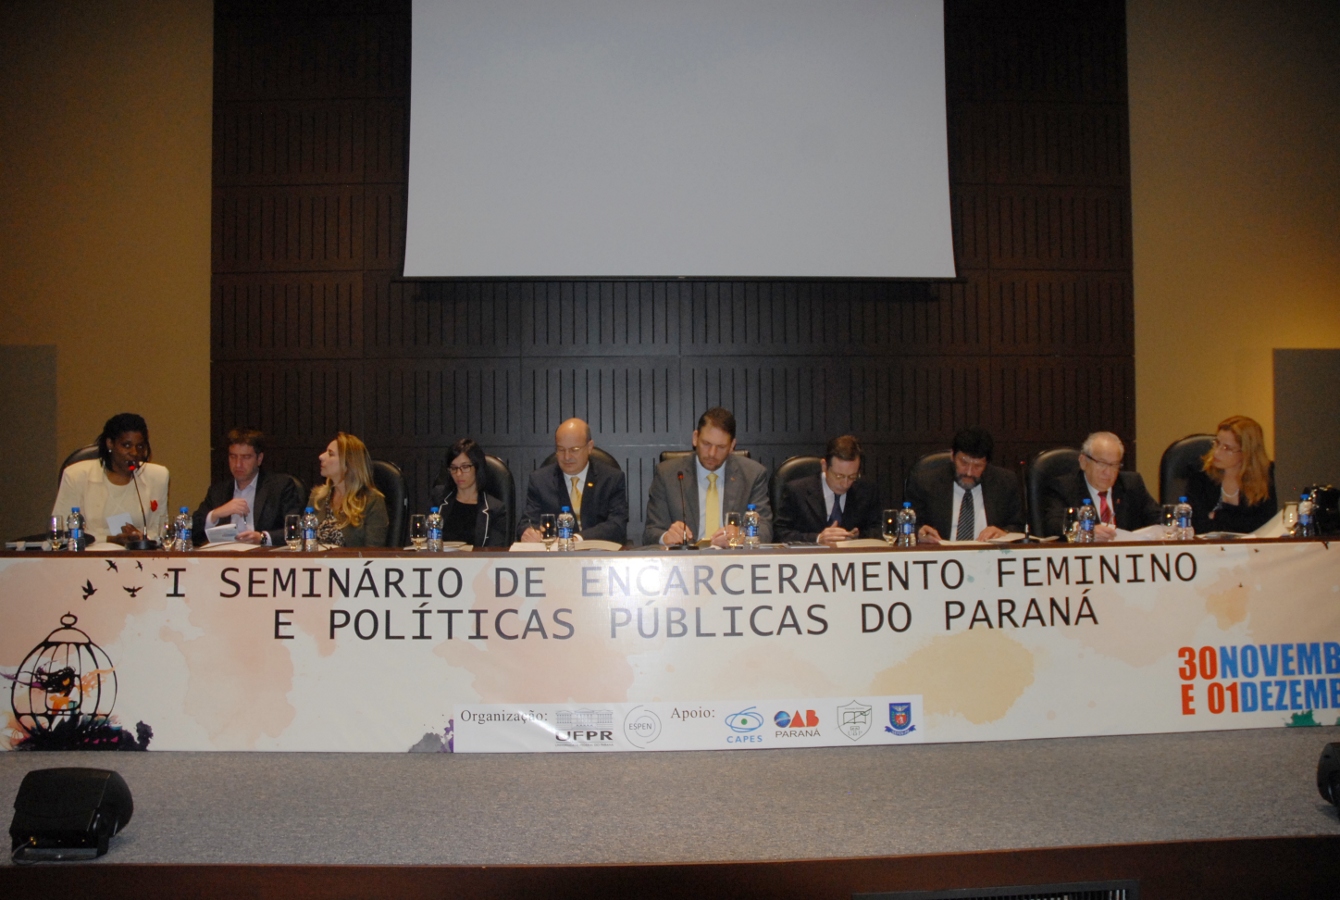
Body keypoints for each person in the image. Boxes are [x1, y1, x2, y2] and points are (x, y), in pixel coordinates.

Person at [643, 407, 772, 547]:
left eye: (721, 447)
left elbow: (765, 530)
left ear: (732, 446)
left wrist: (741, 536)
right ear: (695, 438)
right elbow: (651, 532)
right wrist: (666, 537)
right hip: (687, 558)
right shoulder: (668, 474)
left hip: (733, 557)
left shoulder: (752, 475)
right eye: (706, 444)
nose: (712, 453)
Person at [52, 412, 169, 545]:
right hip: (89, 554)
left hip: (137, 553)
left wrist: (141, 537)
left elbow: (160, 531)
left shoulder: (157, 476)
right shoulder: (76, 475)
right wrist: (110, 539)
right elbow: (62, 533)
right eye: (127, 445)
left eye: (140, 446)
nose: (135, 453)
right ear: (110, 444)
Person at [904, 427, 1025, 543]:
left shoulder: (1005, 482)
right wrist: (919, 533)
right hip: (941, 553)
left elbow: (1019, 526)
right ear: (952, 455)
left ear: (987, 464)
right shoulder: (925, 482)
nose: (969, 472)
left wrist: (1004, 533)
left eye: (978, 466)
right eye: (964, 463)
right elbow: (908, 525)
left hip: (990, 554)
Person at [518, 418, 629, 544]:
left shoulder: (611, 479)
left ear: (589, 447)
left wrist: (577, 539)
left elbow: (617, 524)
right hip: (556, 553)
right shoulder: (540, 480)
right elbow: (527, 522)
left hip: (599, 552)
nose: (567, 457)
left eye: (574, 450)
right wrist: (529, 532)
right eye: (561, 449)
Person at [191, 428, 303, 546]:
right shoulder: (218, 491)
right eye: (233, 457)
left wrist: (262, 538)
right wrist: (215, 515)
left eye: (246, 457)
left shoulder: (279, 487)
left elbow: (295, 529)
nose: (238, 464)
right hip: (225, 554)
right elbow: (191, 533)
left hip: (263, 554)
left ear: (259, 459)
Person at [1041, 431, 1160, 540]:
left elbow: (1158, 519)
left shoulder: (1131, 484)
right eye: (1102, 463)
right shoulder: (1064, 487)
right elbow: (1053, 525)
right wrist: (1084, 530)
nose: (1108, 472)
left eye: (1114, 465)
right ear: (1083, 462)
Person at [775, 435, 883, 546]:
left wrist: (858, 537)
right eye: (839, 476)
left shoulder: (867, 491)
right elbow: (780, 533)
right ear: (824, 466)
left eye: (852, 476)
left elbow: (879, 530)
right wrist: (817, 538)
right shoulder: (796, 491)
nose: (845, 483)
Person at [1184, 416, 1278, 534]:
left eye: (1227, 448)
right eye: (1217, 443)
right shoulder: (1201, 474)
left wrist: (1218, 515)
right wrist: (1237, 518)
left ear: (1246, 452)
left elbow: (1263, 523)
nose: (1217, 452)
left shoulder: (1265, 474)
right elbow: (1197, 524)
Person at [308, 433, 389, 547]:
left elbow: (373, 552)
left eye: (331, 454)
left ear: (348, 464)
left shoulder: (372, 501)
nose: (321, 456)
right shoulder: (317, 497)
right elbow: (304, 542)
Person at [427, 438, 508, 548]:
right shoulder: (438, 498)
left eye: (465, 467)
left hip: (478, 559)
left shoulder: (495, 509)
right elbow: (426, 538)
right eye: (454, 468)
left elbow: (494, 551)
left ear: (477, 467)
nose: (458, 474)